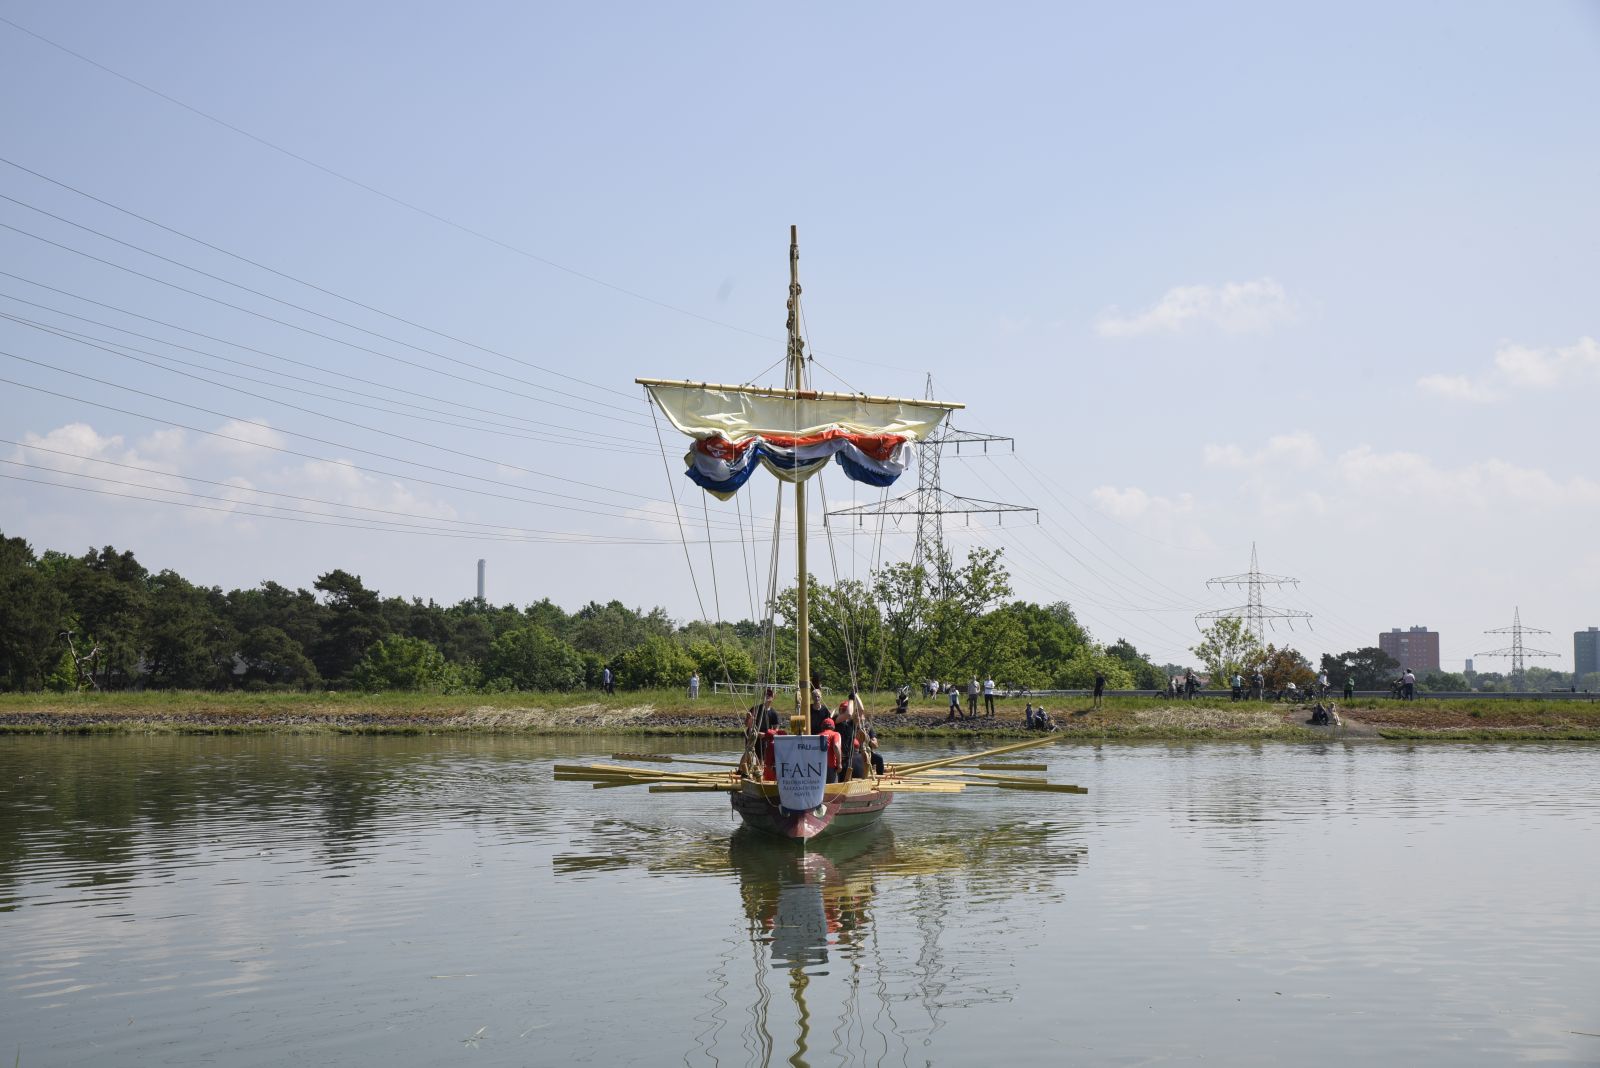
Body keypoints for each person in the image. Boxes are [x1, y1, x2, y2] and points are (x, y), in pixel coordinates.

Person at [834, 698, 858, 783]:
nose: (843, 711)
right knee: (837, 780)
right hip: (837, 758)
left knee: (845, 781)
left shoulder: (852, 723)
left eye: (845, 709)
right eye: (842, 710)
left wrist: (856, 696)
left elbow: (861, 710)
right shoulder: (835, 720)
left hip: (848, 758)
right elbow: (848, 714)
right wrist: (851, 699)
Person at [818, 717, 843, 783]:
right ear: (833, 726)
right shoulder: (835, 734)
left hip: (818, 768)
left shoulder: (818, 736)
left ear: (822, 726)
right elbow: (836, 746)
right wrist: (839, 763)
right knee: (833, 791)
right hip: (831, 767)